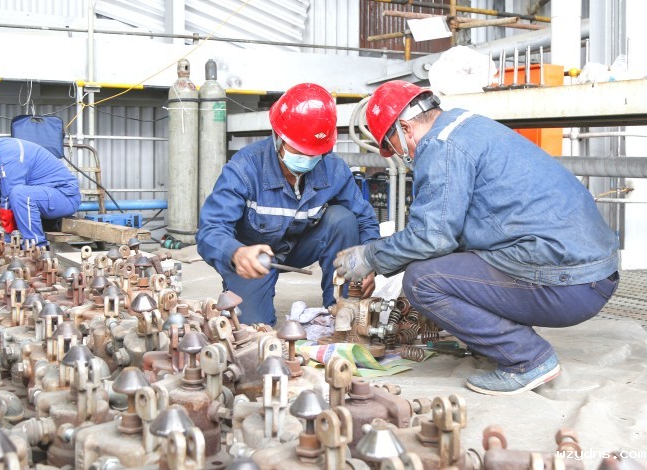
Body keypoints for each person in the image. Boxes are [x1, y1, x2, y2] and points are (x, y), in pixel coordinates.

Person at [334, 80, 620, 395]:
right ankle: (502, 341)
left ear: (405, 128)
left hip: (569, 284)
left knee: (422, 281)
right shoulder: (467, 127)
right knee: (448, 264)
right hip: (591, 272)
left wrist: (369, 257)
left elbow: (432, 238)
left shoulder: (440, 146)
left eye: (396, 147)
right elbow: (448, 234)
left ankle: (528, 359)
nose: (402, 155)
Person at [197, 83, 380, 326]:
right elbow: (210, 230)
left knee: (343, 219)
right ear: (278, 136)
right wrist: (236, 253)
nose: (307, 158)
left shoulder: (333, 169)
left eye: (313, 153)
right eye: (300, 149)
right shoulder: (244, 169)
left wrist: (368, 262)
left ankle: (343, 308)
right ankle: (244, 289)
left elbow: (364, 219)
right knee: (252, 329)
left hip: (300, 248)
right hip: (253, 259)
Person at [0, 138, 81, 245]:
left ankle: (35, 247)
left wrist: (7, 240)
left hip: (64, 197)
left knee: (20, 194)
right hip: (43, 194)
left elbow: (8, 201)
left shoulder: (10, 159)